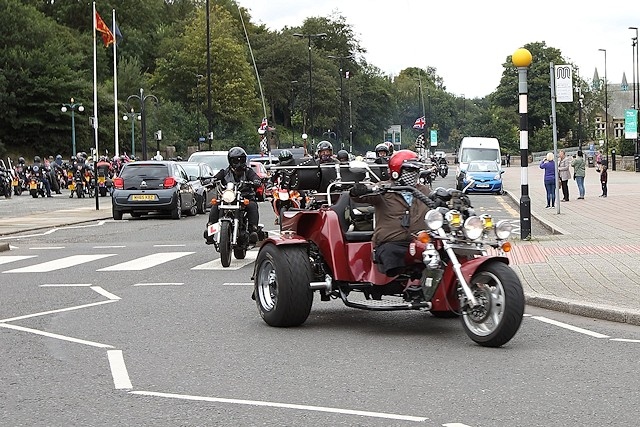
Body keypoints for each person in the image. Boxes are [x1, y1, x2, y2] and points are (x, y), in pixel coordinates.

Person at [349, 150, 432, 277]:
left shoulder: (424, 191)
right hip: (392, 243)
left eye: (416, 170)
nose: (413, 174)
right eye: (409, 171)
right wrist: (358, 191)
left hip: (420, 243)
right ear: (396, 171)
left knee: (441, 251)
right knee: (390, 253)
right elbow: (361, 197)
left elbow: (436, 204)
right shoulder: (383, 189)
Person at [204, 147, 261, 245]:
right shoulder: (225, 172)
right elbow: (216, 178)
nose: (238, 163)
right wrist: (211, 182)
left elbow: (255, 177)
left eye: (241, 160)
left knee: (252, 205)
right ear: (230, 161)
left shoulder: (248, 171)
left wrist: (256, 181)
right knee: (215, 205)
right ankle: (210, 230)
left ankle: (253, 230)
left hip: (244, 196)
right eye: (235, 160)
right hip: (228, 197)